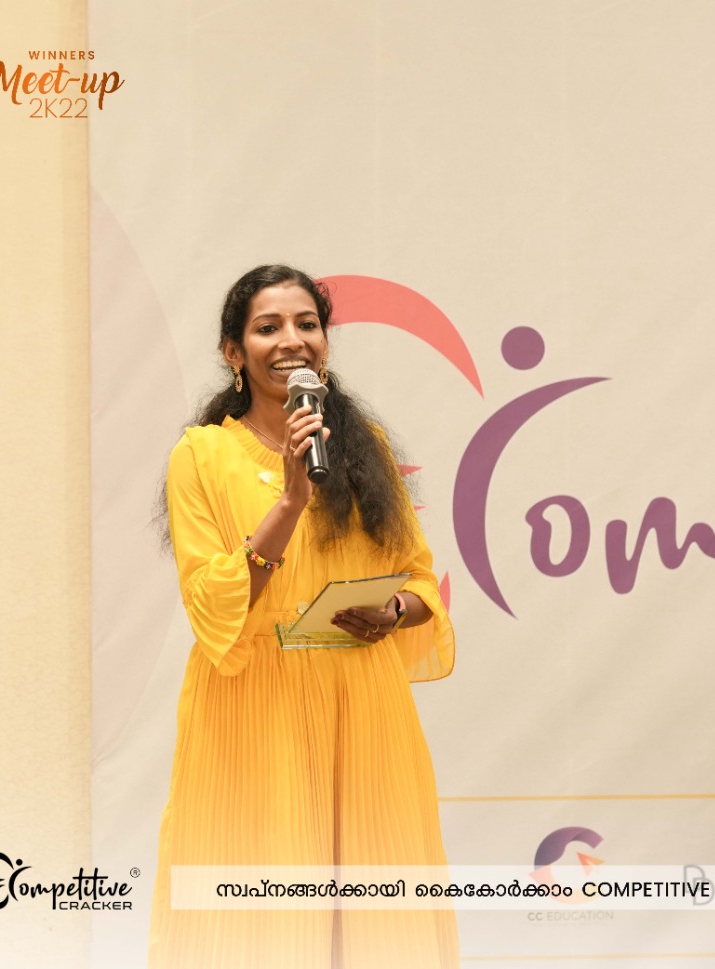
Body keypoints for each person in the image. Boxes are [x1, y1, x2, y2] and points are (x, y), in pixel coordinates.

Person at [148, 265, 458, 968]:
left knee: (376, 919)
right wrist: (290, 501)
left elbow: (419, 578)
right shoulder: (201, 456)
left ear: (325, 341)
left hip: (363, 704)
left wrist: (395, 609)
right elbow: (212, 603)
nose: (291, 340)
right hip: (255, 712)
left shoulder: (363, 448)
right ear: (234, 353)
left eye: (307, 324)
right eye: (268, 327)